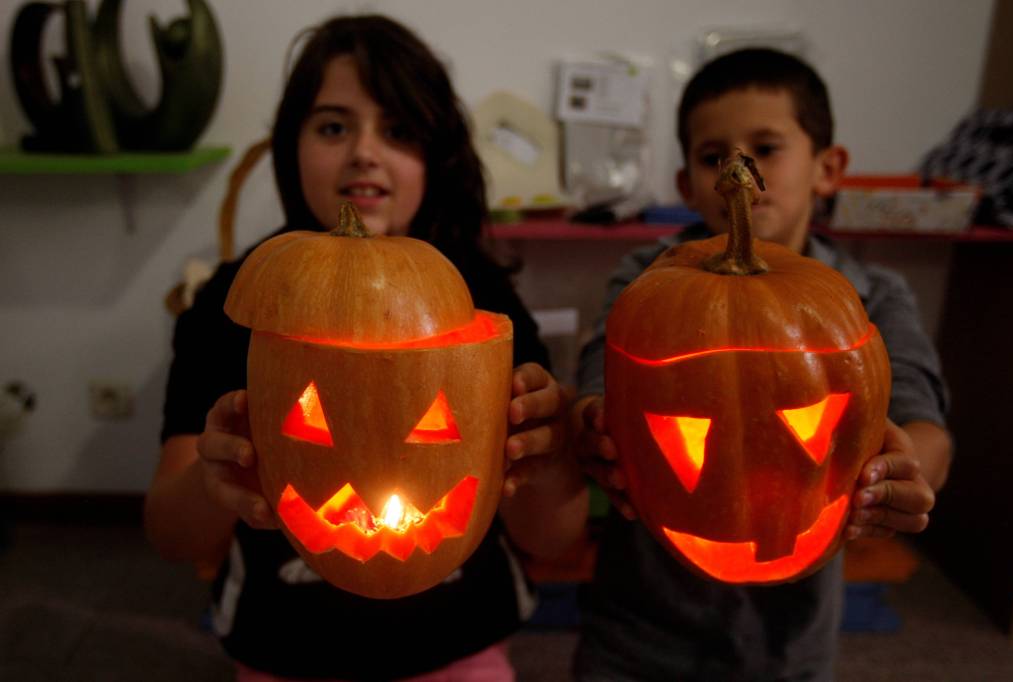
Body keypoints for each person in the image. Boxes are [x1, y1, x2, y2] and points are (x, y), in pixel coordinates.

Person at [144, 15, 588, 682]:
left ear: (435, 155)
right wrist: (215, 485)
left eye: (399, 130)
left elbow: (552, 536)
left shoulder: (477, 296)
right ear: (290, 144)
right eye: (332, 126)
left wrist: (547, 460)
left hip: (460, 642)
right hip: (284, 646)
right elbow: (171, 535)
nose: (364, 152)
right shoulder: (235, 305)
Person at [571, 48, 952, 681]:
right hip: (639, 635)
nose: (739, 171)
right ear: (687, 183)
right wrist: (590, 429)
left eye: (767, 148)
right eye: (712, 155)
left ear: (828, 168)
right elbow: (596, 390)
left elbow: (923, 421)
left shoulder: (870, 295)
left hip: (789, 646)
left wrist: (901, 466)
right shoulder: (645, 281)